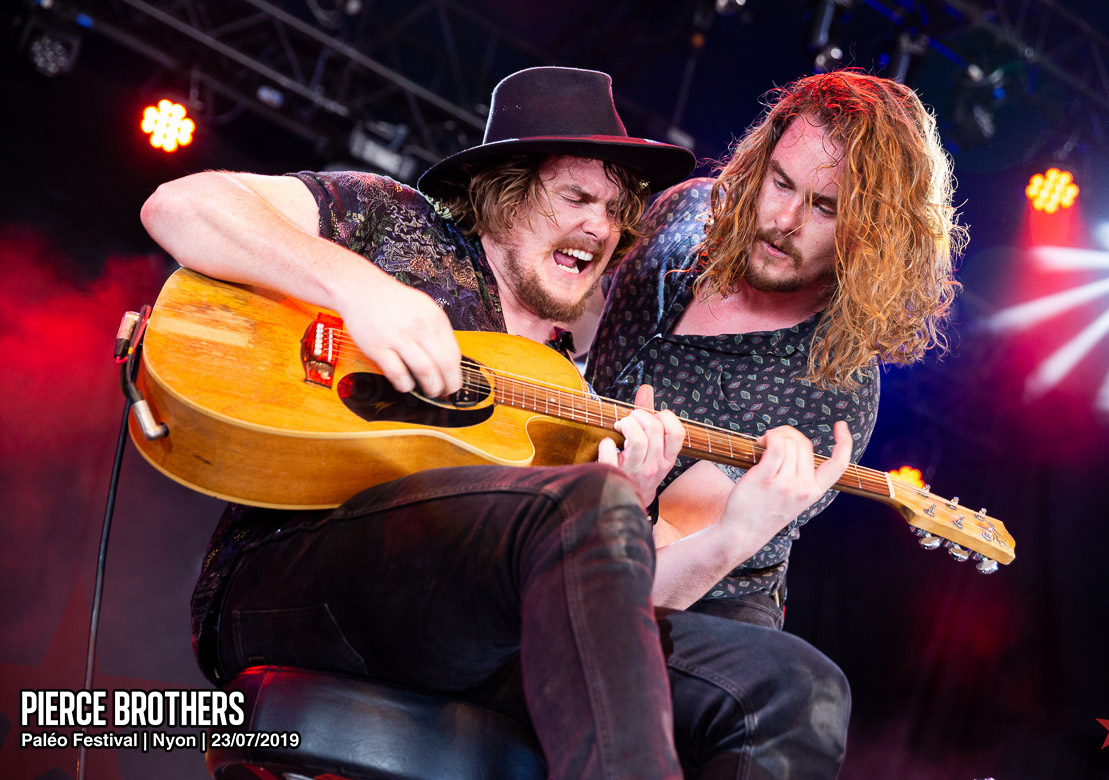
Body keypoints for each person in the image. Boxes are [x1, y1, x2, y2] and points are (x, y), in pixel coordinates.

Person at [140, 66, 856, 779]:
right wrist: (360, 288)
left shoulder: (570, 385)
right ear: (505, 192)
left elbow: (608, 621)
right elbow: (181, 206)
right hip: (294, 584)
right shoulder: (397, 225)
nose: (600, 228)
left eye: (616, 210)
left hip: (470, 632)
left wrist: (714, 534)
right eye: (576, 197)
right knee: (584, 505)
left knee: (795, 688)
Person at [588, 71, 964, 625]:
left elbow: (652, 576)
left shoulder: (831, 388)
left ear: (874, 236)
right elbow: (577, 323)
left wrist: (624, 497)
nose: (784, 221)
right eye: (781, 183)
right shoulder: (684, 212)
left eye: (825, 208)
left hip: (684, 606)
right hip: (563, 514)